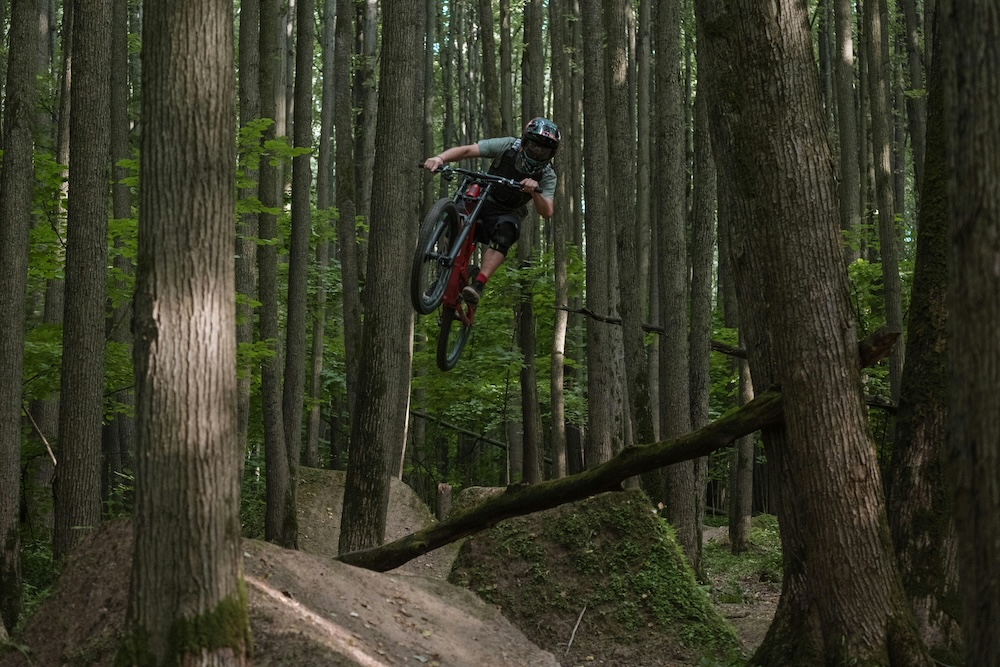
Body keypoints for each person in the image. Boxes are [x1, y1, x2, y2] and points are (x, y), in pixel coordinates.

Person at [422, 117, 560, 305]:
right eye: (534, 146)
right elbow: (469, 150)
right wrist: (440, 158)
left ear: (550, 155)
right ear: (525, 142)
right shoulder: (507, 146)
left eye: (543, 151)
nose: (537, 152)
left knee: (507, 232)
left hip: (508, 212)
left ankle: (478, 284)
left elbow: (547, 211)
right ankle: (443, 275)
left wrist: (535, 192)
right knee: (457, 216)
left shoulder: (547, 174)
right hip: (483, 197)